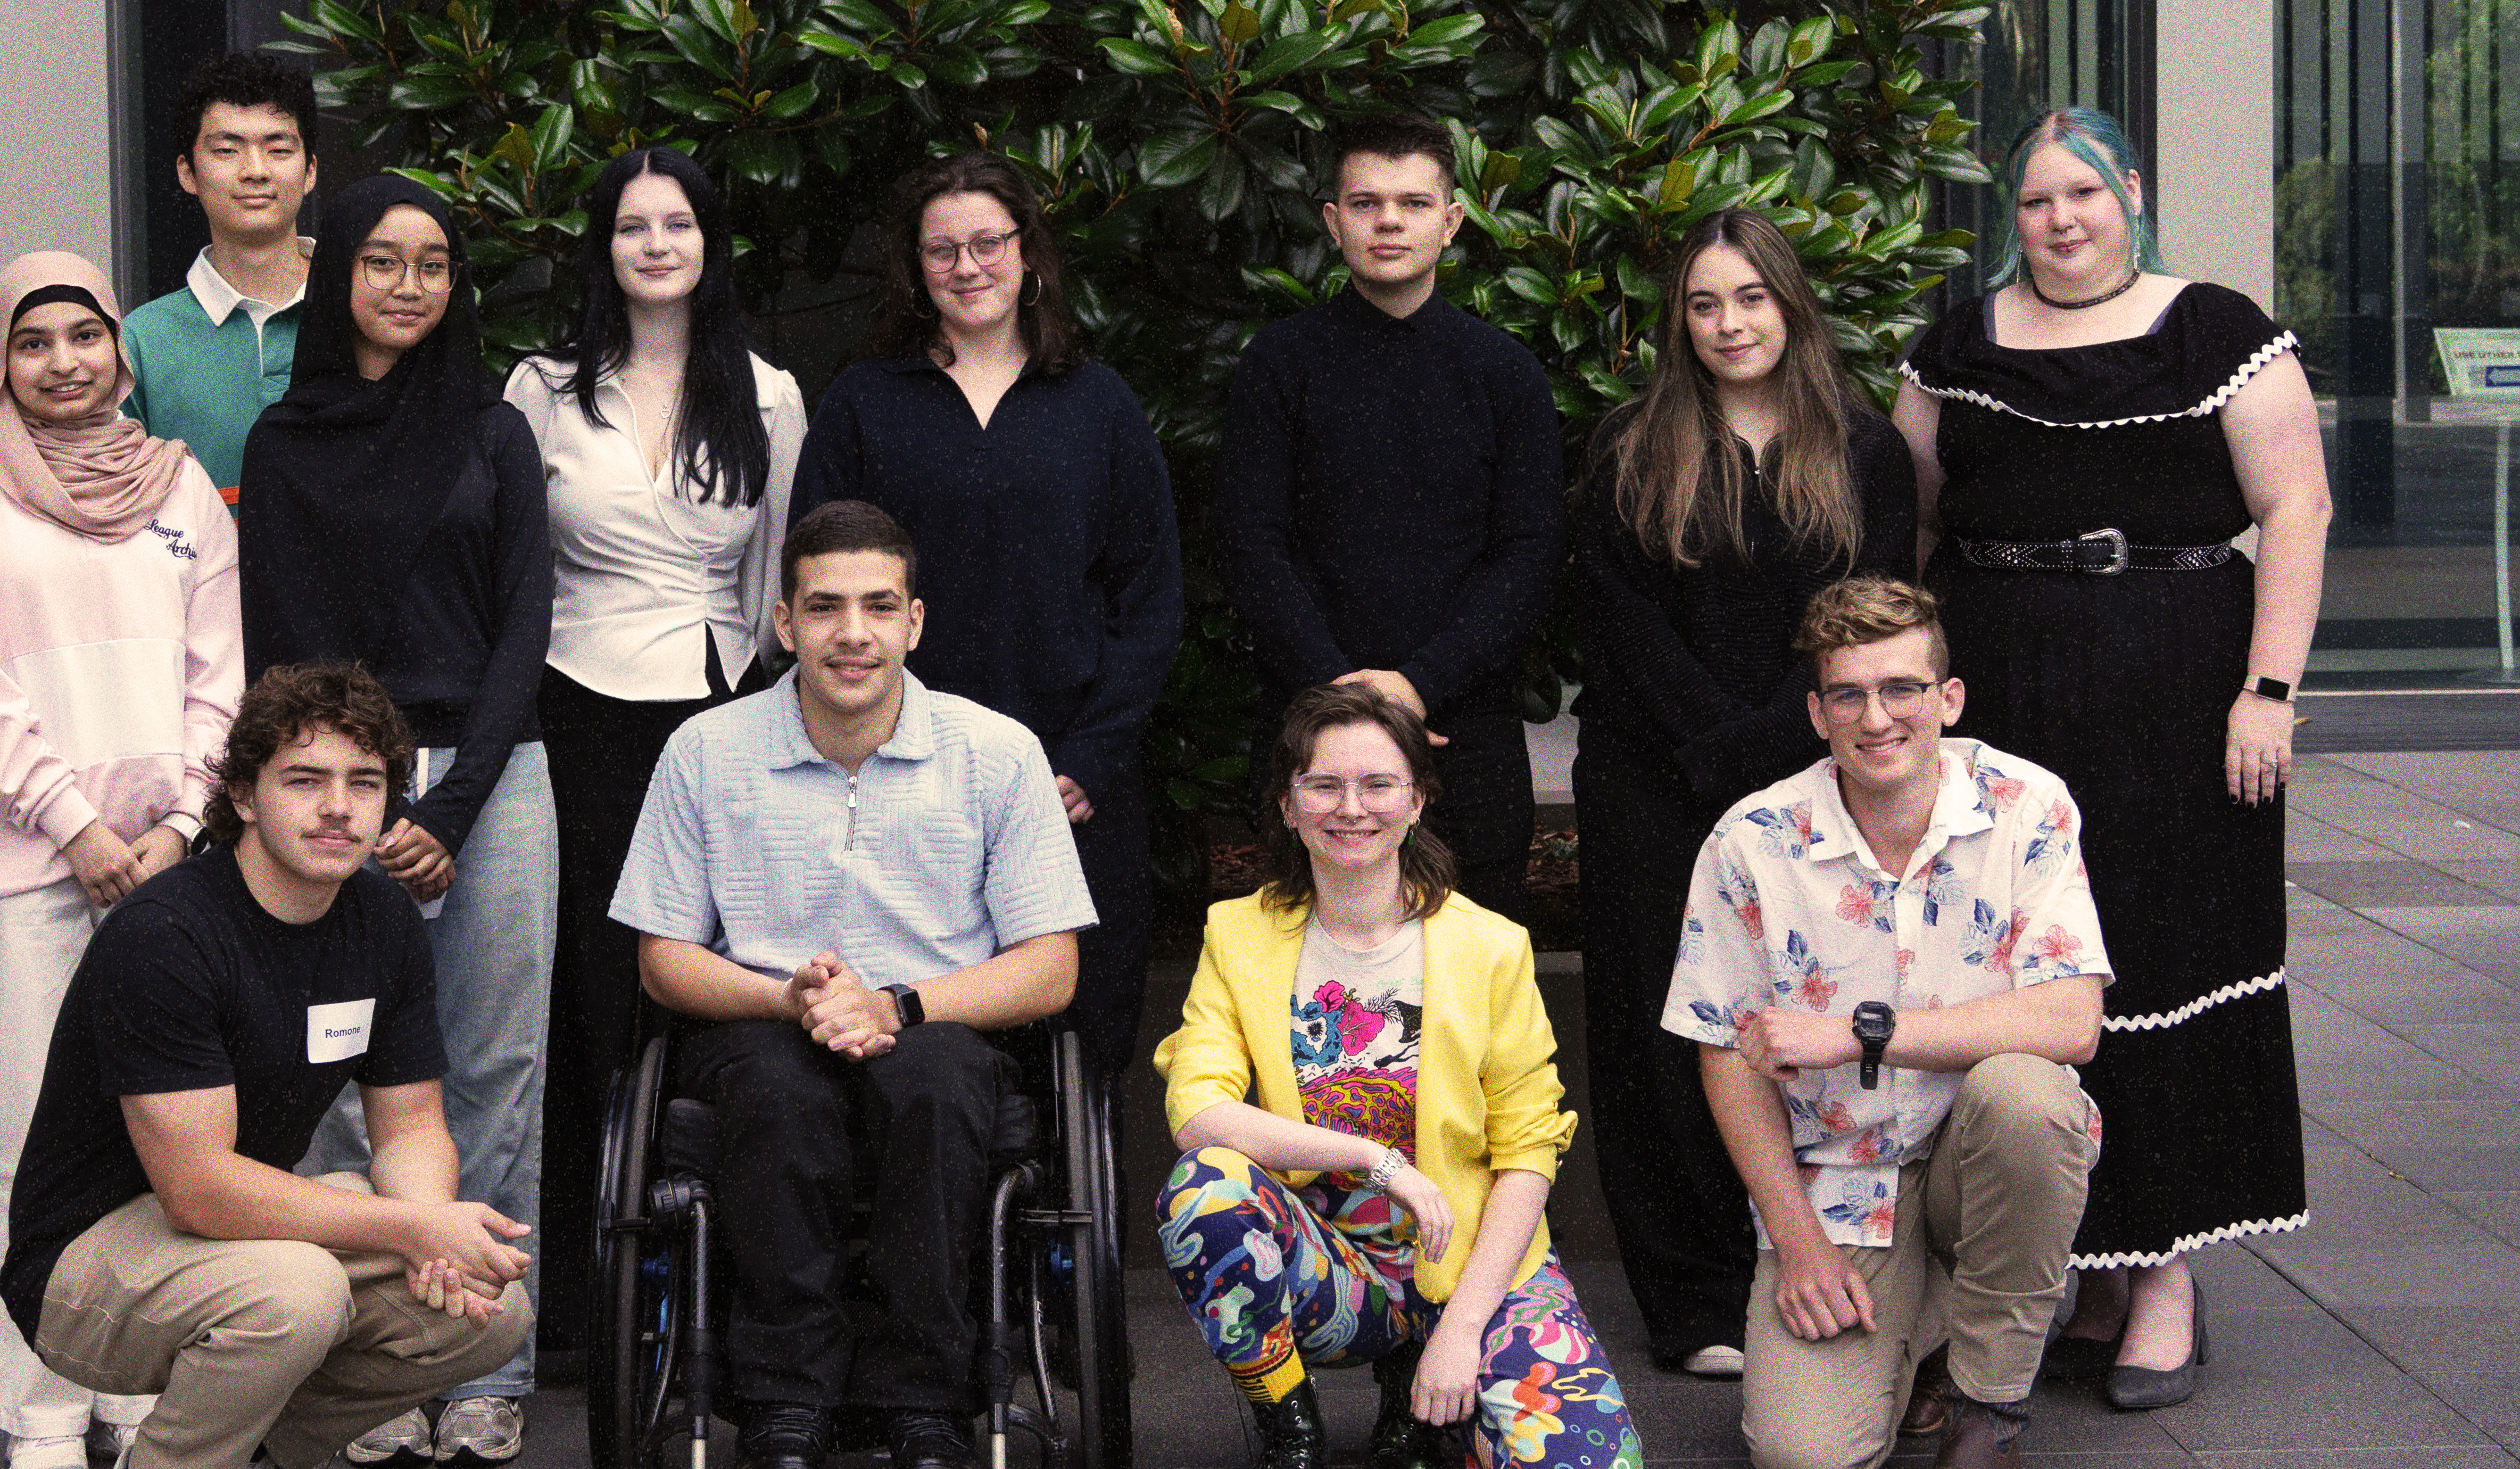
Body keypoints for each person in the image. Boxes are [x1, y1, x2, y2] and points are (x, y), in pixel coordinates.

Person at [1893, 107, 2328, 1409]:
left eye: (2079, 193)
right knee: (2026, 970)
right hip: (2006, 701)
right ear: (2009, 218)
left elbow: (2293, 507)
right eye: (2032, 203)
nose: (2057, 220)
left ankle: (2163, 1280)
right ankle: (2076, 1264)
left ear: (2127, 192)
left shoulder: (2213, 331)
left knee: (2162, 960)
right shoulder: (1954, 350)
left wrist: (2267, 691)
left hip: (2180, 697)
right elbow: (1905, 528)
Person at [611, 500, 1095, 1469]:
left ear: (914, 621)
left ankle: (924, 1399)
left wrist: (898, 1004)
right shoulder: (704, 751)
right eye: (824, 607)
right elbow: (661, 955)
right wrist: (789, 998)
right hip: (760, 1017)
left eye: (879, 607)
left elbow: (1051, 965)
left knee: (932, 1081)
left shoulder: (997, 753)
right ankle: (785, 1400)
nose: (853, 633)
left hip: (937, 1021)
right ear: (784, 622)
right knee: (779, 1091)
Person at [3, 662, 533, 1469]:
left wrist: (432, 1237)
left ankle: (256, 1449)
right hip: (86, 1260)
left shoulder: (381, 918)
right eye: (305, 779)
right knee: (296, 1296)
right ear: (245, 796)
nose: (337, 807)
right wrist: (410, 1224)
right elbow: (198, 1189)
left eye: (366, 782)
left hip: (234, 1237)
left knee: (489, 1312)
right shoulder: (168, 934)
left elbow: (413, 1124)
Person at [0, 251, 239, 1469]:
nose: (63, 362)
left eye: (84, 336)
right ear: (1, 361)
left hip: (164, 865)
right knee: (33, 1141)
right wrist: (73, 824)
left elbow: (219, 673)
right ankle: (42, 1413)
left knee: (159, 1133)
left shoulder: (180, 486)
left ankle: (136, 1391)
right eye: (32, 342)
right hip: (28, 866)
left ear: (118, 348)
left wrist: (183, 824)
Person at [238, 173, 557, 1465]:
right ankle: (369, 1371)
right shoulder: (280, 444)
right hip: (332, 784)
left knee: (490, 1074)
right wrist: (359, 797)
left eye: (433, 264)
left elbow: (525, 628)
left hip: (492, 779)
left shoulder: (495, 434)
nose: (410, 285)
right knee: (336, 1092)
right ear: (340, 277)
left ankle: (491, 1356)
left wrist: (452, 799)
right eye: (383, 261)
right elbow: (281, 645)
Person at [1572, 207, 1919, 1378]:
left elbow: (1869, 611)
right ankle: (1693, 1299)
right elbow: (1615, 623)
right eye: (1706, 303)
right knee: (1660, 1030)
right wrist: (1722, 755)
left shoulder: (1861, 450)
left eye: (1751, 298)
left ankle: (1814, 1259)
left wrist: (1780, 746)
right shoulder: (1630, 446)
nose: (1729, 323)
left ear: (1791, 304)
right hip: (1650, 780)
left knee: (1804, 1019)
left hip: (1817, 779)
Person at [1664, 577, 2108, 1469]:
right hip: (1841, 1185)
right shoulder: (1752, 839)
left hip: (1974, 1158)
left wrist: (1863, 1033)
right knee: (1804, 1455)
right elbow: (1725, 1049)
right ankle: (1928, 1327)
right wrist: (1794, 1240)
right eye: (1849, 695)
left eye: (1901, 688)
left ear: (1948, 698)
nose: (1877, 718)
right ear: (1817, 713)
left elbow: (2073, 1020)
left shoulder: (2028, 805)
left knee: (2030, 1098)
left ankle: (1989, 1407)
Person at [1154, 683, 1641, 1469]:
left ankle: (1439, 1391)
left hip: (1477, 1258)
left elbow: (1527, 1154)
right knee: (1205, 1188)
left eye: (1378, 784)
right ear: (1287, 803)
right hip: (1330, 1270)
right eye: (1324, 784)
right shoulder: (1236, 932)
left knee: (1587, 1462)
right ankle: (1288, 1421)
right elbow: (1198, 1110)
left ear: (1417, 800)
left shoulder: (1491, 947)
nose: (1352, 807)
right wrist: (1374, 1162)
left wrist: (1460, 1333)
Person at [503, 144, 806, 1343]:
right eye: (633, 227)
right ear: (604, 248)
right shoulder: (541, 387)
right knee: (591, 988)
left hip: (720, 710)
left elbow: (781, 579)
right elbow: (515, 570)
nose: (657, 244)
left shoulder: (769, 392)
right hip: (574, 710)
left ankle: (730, 1293)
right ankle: (585, 1305)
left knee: (723, 984)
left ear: (707, 239)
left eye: (677, 222)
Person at [793, 151, 1180, 1081]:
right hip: (900, 780)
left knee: (1083, 1041)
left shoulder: (1097, 404)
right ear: (915, 270)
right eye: (942, 250)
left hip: (1070, 782)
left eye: (986, 243)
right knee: (918, 1053)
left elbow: (1149, 597)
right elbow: (821, 588)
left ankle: (1074, 1231)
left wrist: (1088, 761)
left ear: (1028, 254)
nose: (967, 267)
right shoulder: (862, 403)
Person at [1213, 113, 1563, 921]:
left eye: (1412, 203)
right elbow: (1251, 544)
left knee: (1472, 980)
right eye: (1366, 203)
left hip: (1463, 733)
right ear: (1334, 223)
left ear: (1450, 222)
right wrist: (1345, 698)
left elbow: (1530, 554)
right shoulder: (1280, 365)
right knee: (1314, 979)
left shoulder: (1504, 375)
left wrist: (1418, 685)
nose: (1390, 221)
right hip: (1308, 729)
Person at [121, 53, 319, 514]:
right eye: (227, 150)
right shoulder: (139, 343)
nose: (255, 170)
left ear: (310, 170)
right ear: (187, 172)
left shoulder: (367, 315)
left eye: (278, 149)